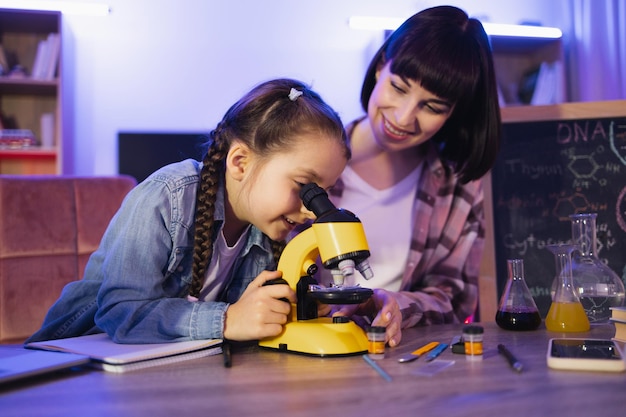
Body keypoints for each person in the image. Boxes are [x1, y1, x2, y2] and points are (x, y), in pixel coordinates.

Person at [26, 78, 352, 344]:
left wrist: (305, 308)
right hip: (74, 356)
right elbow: (119, 313)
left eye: (322, 194)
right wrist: (226, 319)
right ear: (240, 161)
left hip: (168, 366)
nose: (312, 211)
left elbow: (251, 322)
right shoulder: (167, 196)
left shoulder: (268, 230)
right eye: (305, 186)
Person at [324, 5, 502, 347]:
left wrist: (394, 305)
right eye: (399, 87)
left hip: (394, 356)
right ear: (379, 68)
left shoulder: (457, 189)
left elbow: (452, 298)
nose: (404, 118)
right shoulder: (305, 163)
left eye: (432, 107)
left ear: (453, 113)